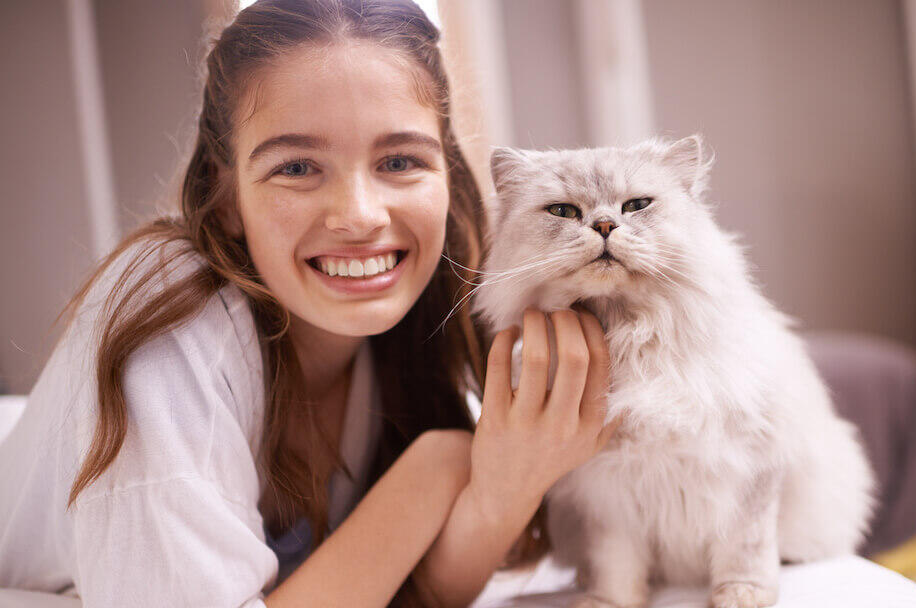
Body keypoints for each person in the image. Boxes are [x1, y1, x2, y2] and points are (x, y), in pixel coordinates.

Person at [0, 0, 618, 606]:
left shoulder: (410, 341)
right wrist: (435, 468)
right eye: (297, 167)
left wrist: (502, 486)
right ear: (225, 196)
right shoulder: (168, 313)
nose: (360, 215)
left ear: (447, 180)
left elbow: (413, 593)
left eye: (399, 161)